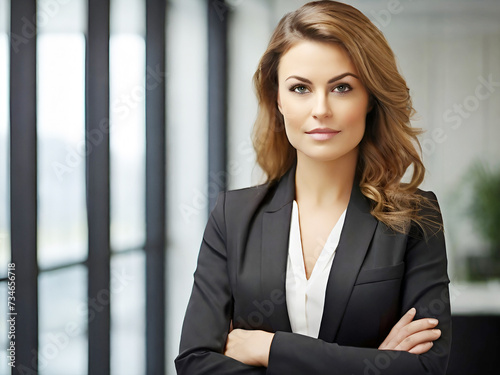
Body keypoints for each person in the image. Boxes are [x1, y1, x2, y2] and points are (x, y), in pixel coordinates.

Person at [175, 1, 451, 374]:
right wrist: (371, 363)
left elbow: (426, 370)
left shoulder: (415, 217)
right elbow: (195, 363)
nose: (321, 109)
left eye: (341, 87)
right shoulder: (233, 217)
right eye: (301, 88)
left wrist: (269, 348)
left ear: (369, 98)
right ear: (278, 99)